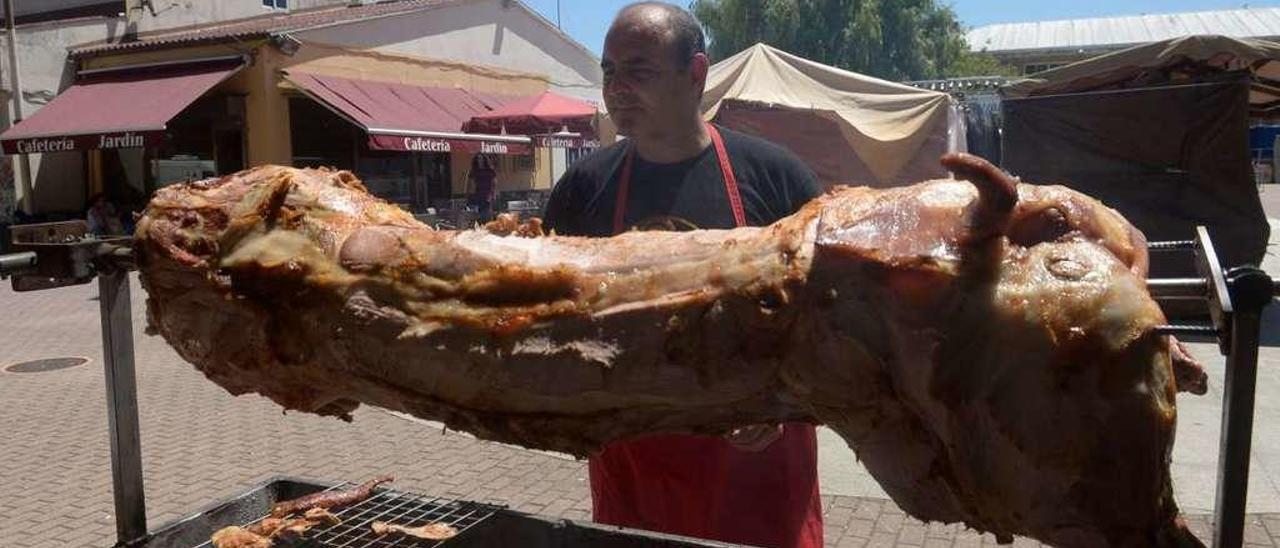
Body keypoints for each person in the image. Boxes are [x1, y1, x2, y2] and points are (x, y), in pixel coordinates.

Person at [541, 4, 824, 548]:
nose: (617, 87)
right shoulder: (582, 189)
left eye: (638, 71)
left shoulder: (777, 178)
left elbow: (827, 321)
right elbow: (558, 319)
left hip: (756, 472)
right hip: (636, 464)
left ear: (695, 74)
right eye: (608, 71)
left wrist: (781, 405)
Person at [469, 154, 498, 220]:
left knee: (487, 214)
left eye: (481, 158)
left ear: (484, 159)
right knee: (478, 215)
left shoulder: (490, 170)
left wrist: (492, 194)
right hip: (477, 194)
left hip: (487, 194)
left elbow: (494, 183)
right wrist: (469, 194)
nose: (480, 160)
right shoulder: (474, 170)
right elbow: (470, 183)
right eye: (478, 159)